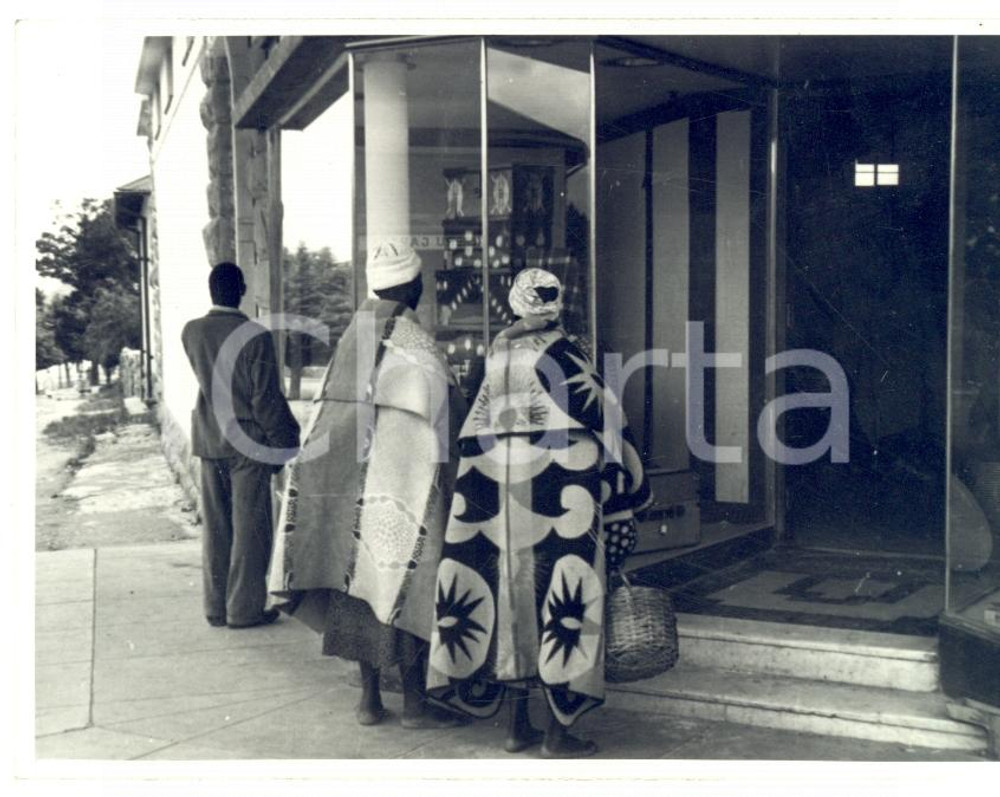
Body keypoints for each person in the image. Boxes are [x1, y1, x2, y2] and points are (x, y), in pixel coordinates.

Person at [426, 267, 652, 758]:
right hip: (559, 495)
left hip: (497, 501)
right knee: (562, 599)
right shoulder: (564, 354)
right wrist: (631, 491)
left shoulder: (497, 354)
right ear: (555, 306)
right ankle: (556, 733)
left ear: (516, 304)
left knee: (511, 606)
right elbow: (609, 421)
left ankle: (516, 727)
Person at [269, 242, 468, 728]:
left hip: (351, 491)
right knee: (407, 581)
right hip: (402, 490)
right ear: (412, 285)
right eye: (419, 281)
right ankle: (418, 705)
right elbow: (445, 414)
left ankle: (370, 701)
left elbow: (324, 418)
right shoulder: (415, 342)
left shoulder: (352, 338)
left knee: (356, 584)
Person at [182, 261, 301, 629]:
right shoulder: (254, 335)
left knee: (217, 529)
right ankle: (244, 610)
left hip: (208, 438)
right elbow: (266, 400)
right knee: (250, 530)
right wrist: (285, 444)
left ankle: (216, 608)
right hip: (247, 443)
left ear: (211, 290)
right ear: (242, 290)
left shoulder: (191, 332)